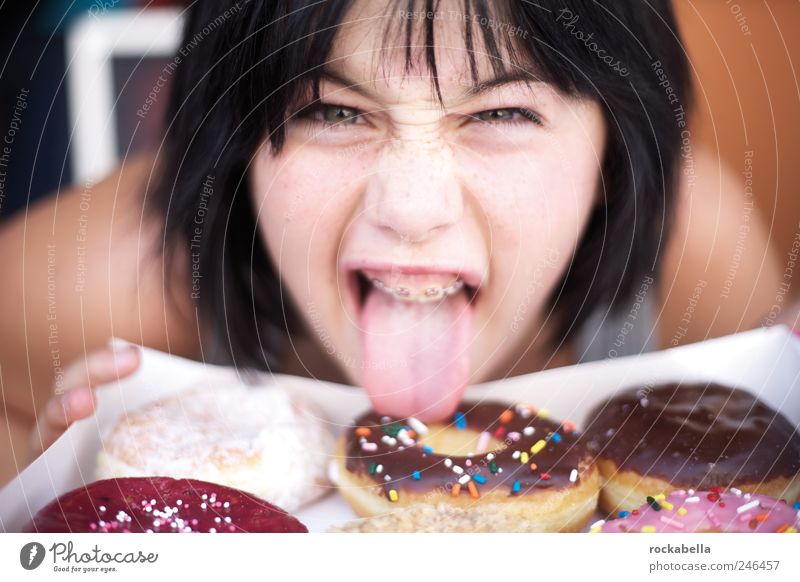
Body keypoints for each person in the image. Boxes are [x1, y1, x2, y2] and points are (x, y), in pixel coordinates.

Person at [0, 0, 795, 485]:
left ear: (613, 159)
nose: (412, 210)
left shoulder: (696, 261)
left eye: (501, 115)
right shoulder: (86, 295)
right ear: (238, 141)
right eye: (332, 112)